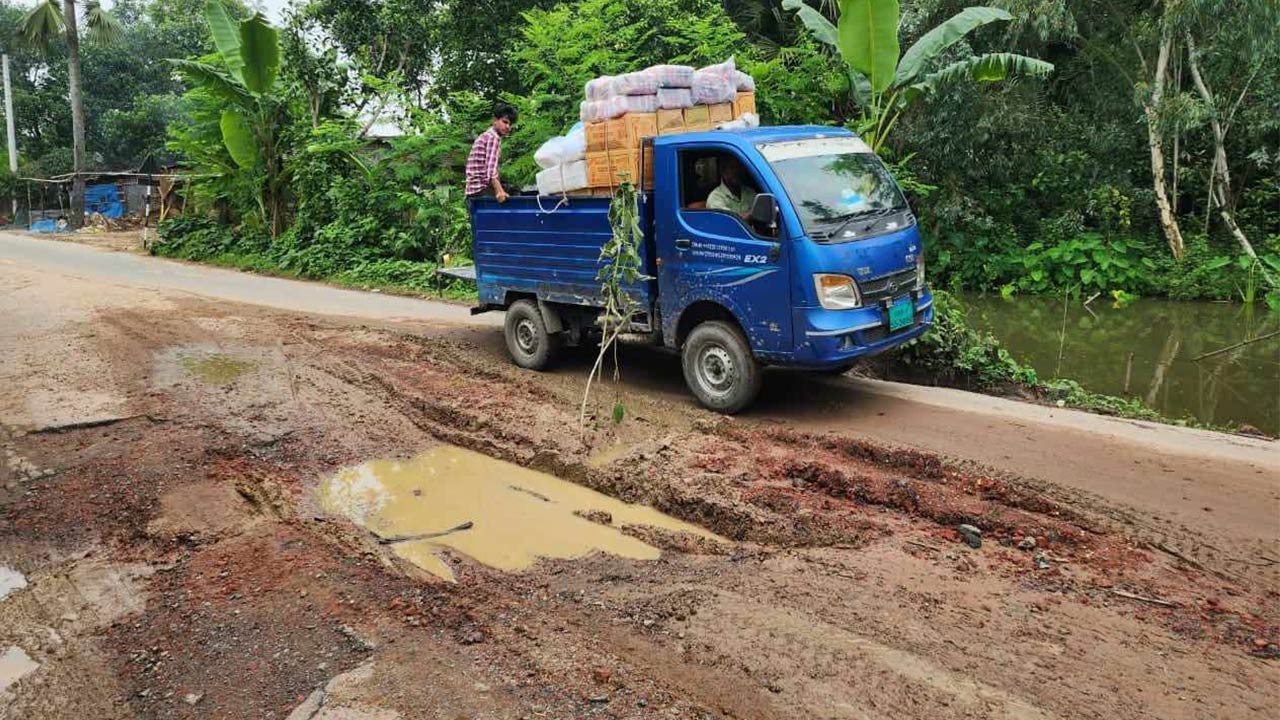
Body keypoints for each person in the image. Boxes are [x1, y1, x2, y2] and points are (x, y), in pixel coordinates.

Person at [465, 103, 518, 202]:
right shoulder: (493, 138)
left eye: (510, 124)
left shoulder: (485, 135)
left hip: (472, 190)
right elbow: (491, 171)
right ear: (495, 120)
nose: (507, 127)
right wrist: (499, 191)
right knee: (516, 196)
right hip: (480, 189)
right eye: (505, 122)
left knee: (512, 188)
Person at [705, 155, 758, 221]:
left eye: (739, 167)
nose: (737, 171)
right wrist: (753, 213)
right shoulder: (715, 197)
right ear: (723, 172)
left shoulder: (750, 192)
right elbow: (732, 222)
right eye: (732, 168)